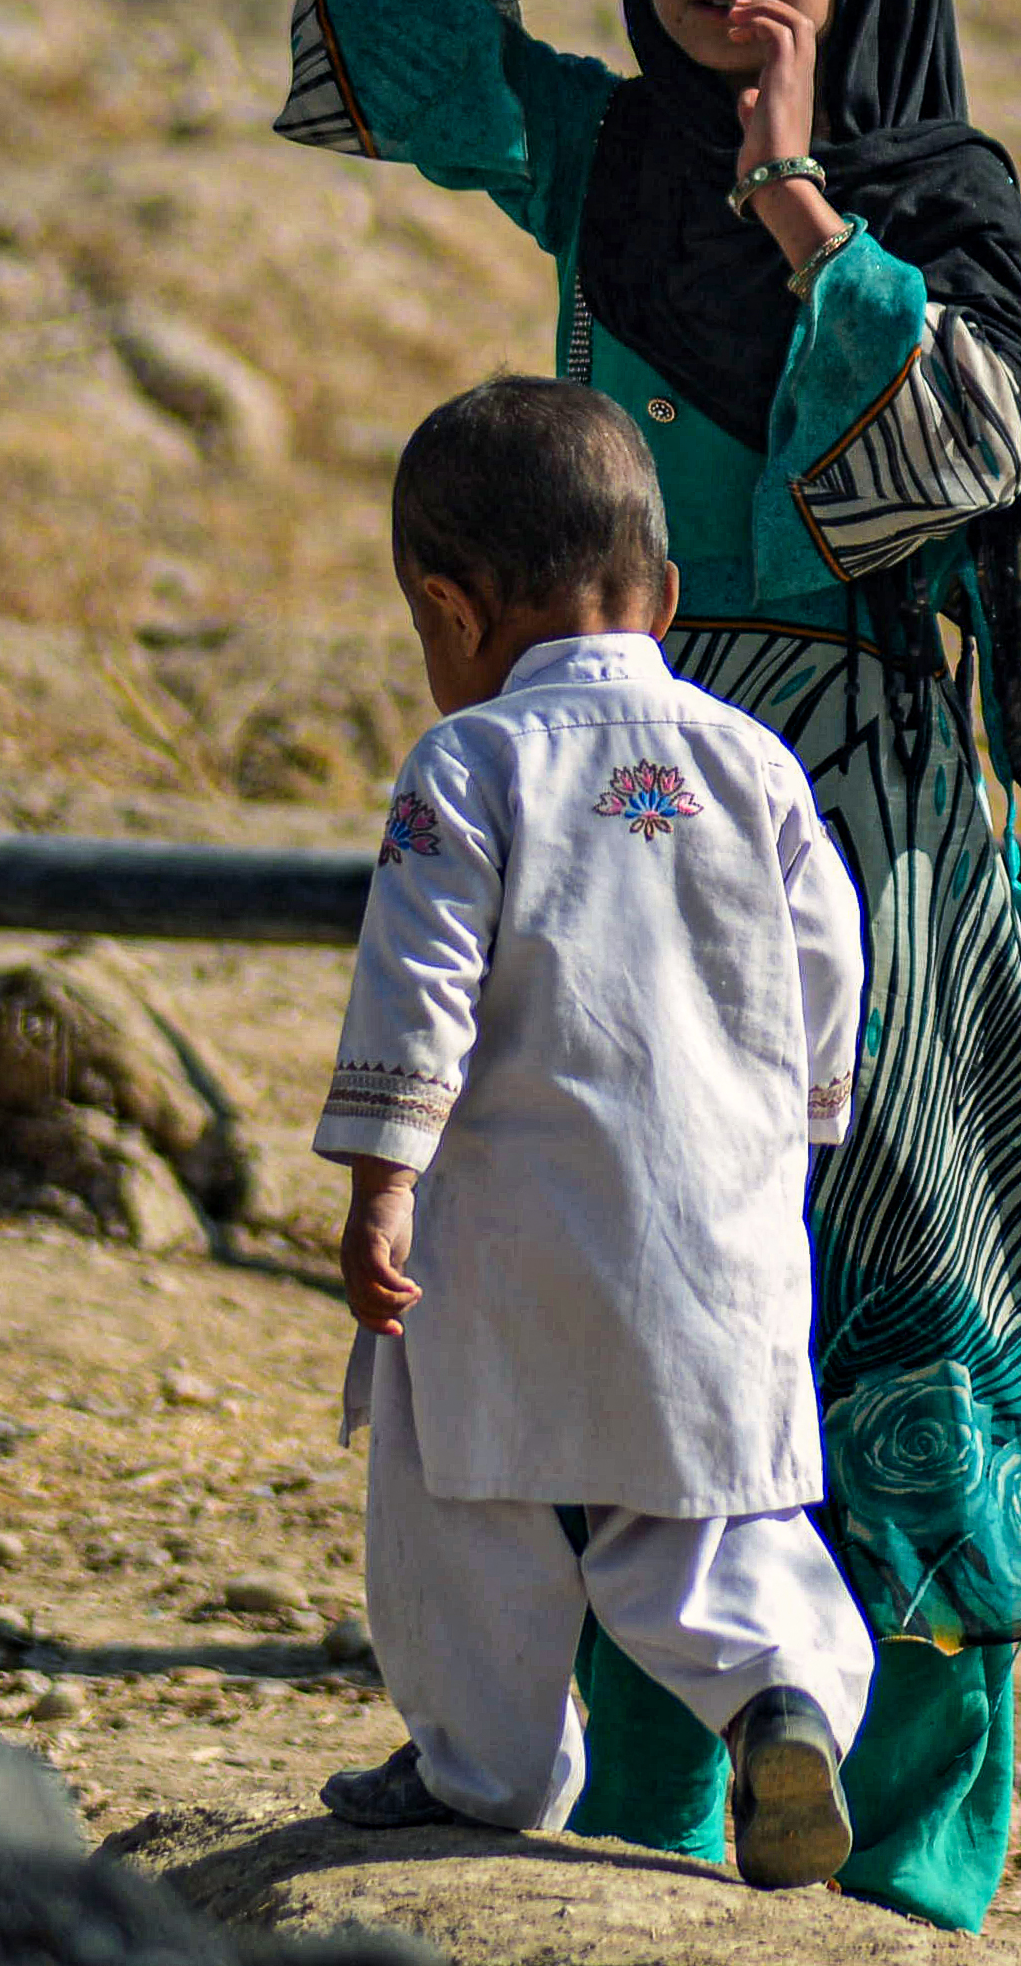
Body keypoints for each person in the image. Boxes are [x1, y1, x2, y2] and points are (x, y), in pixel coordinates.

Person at [273, 0, 1021, 1929]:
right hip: (622, 818)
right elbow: (398, 36)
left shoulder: (941, 212)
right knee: (632, 1289)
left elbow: (963, 475)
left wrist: (794, 197)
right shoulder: (592, 163)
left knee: (911, 1303)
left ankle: (908, 1835)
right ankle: (652, 1820)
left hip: (871, 839)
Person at [311, 377, 874, 1889]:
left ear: (451, 606)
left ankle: (481, 1768)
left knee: (462, 1499)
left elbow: (418, 978)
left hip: (499, 1236)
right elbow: (832, 959)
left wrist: (383, 1177)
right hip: (717, 1234)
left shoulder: (471, 763)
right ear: (666, 593)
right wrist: (795, 1132)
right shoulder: (752, 759)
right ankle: (779, 1699)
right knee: (699, 1507)